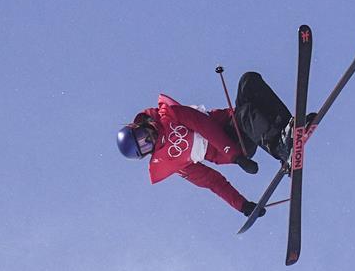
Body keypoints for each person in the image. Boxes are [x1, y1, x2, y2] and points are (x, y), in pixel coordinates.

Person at [117, 71, 295, 219]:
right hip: (238, 144)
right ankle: (281, 148)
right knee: (246, 114)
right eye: (145, 146)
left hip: (231, 131)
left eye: (142, 135)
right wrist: (242, 205)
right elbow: (211, 181)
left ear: (140, 125)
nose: (148, 139)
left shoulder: (170, 114)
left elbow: (204, 125)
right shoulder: (171, 161)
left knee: (249, 81)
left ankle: (289, 127)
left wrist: (236, 157)